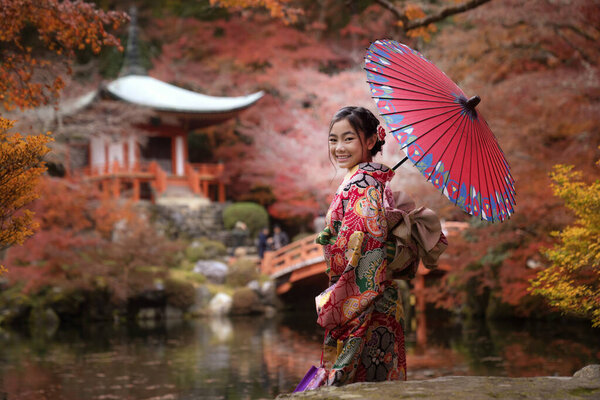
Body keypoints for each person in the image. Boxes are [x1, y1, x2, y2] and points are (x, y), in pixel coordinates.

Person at [310, 106, 446, 387]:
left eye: (348, 138)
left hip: (364, 303)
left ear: (371, 141)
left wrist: (339, 302)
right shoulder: (366, 181)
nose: (338, 148)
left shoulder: (362, 184)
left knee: (359, 385)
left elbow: (365, 251)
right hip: (377, 301)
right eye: (333, 140)